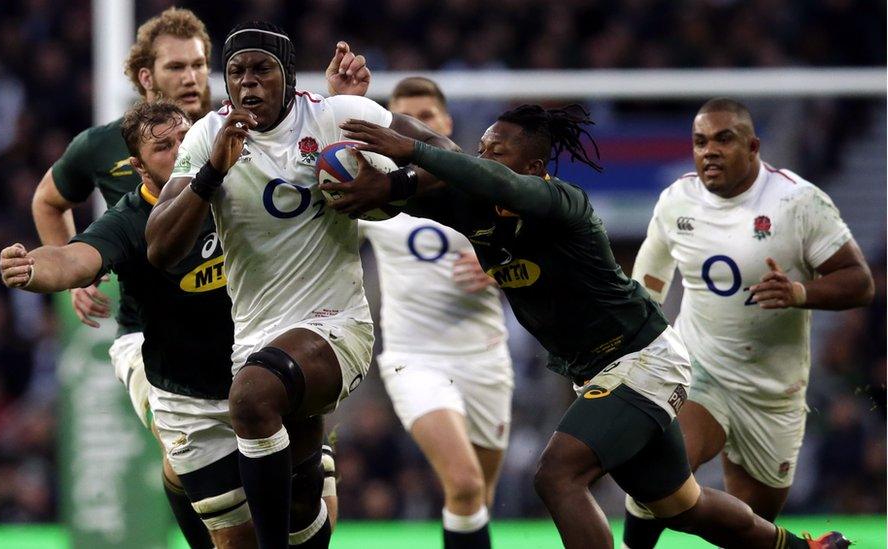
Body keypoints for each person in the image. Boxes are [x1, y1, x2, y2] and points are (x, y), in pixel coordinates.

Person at [320, 104, 850, 549]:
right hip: (604, 370)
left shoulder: (559, 202)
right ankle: (798, 547)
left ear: (534, 166)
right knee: (680, 504)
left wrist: (408, 163)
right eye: (483, 149)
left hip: (641, 360)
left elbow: (460, 166)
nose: (485, 159)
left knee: (558, 474)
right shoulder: (473, 206)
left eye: (499, 151)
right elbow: (440, 148)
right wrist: (359, 124)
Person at [144, 19, 456, 549]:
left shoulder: (338, 116)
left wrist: (389, 183)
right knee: (301, 501)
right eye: (237, 72)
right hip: (255, 339)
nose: (248, 83)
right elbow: (160, 247)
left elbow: (447, 154)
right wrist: (211, 173)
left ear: (288, 76)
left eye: (262, 70)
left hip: (337, 329)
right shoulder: (208, 136)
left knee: (251, 398)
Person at [1, 100, 345, 548]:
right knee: (238, 542)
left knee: (312, 525)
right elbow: (72, 259)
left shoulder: (243, 181)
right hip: (191, 403)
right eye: (164, 146)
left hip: (268, 379)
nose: (181, 149)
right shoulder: (129, 220)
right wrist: (31, 269)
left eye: (186, 137)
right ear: (138, 168)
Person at [621, 97, 874, 549]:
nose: (709, 151)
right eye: (700, 142)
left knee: (749, 530)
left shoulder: (797, 201)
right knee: (657, 473)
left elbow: (860, 282)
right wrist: (633, 348)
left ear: (753, 146)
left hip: (773, 391)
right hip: (699, 370)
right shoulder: (678, 199)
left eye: (724, 139)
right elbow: (649, 280)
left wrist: (800, 292)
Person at [28, 9, 215, 546]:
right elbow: (49, 197)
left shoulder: (232, 133)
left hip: (238, 321)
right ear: (145, 77)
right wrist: (75, 269)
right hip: (147, 332)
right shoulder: (102, 146)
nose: (191, 77)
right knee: (185, 448)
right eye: (176, 66)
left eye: (199, 65)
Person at [360, 76, 511, 549]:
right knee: (463, 483)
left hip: (486, 359)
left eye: (423, 118)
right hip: (414, 358)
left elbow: (546, 250)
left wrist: (503, 267)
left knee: (477, 498)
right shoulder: (376, 195)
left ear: (445, 123)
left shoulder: (483, 185)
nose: (411, 127)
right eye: (400, 118)